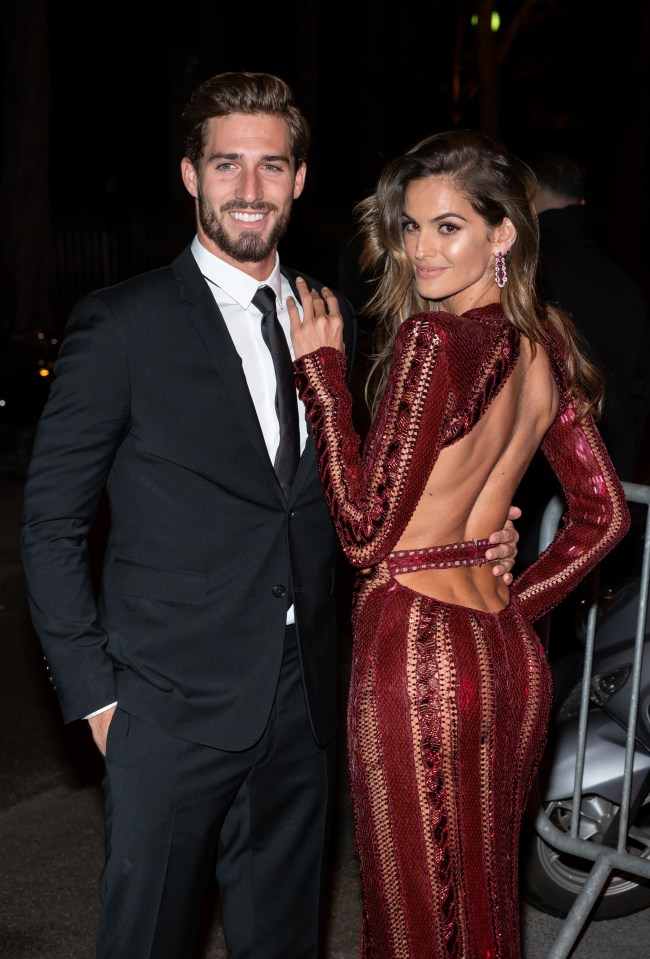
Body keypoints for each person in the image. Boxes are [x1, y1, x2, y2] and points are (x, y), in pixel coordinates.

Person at [19, 75, 520, 959]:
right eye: (226, 165)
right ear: (189, 176)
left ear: (297, 180)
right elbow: (51, 526)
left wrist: (479, 538)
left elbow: (354, 496)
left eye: (270, 166)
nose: (248, 188)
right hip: (165, 708)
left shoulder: (327, 318)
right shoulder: (120, 325)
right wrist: (98, 699)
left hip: (301, 705)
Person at [287, 129, 631, 958]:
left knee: (416, 918)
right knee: (481, 906)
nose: (423, 249)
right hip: (508, 657)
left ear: (502, 232)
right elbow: (605, 515)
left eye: (449, 227)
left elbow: (365, 531)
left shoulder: (432, 341)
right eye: (410, 227)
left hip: (417, 647)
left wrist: (323, 378)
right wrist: (518, 601)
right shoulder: (544, 345)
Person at [529, 149, 650, 482]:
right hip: (607, 482)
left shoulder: (522, 278)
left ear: (526, 200)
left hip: (533, 489)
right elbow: (639, 394)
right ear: (581, 205)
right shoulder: (624, 285)